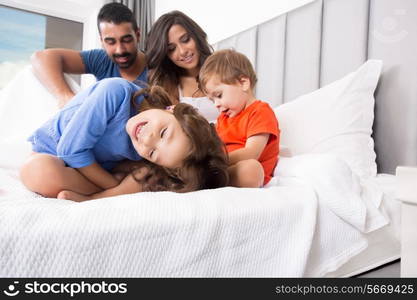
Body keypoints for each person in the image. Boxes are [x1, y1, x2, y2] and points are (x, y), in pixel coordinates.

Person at [19, 78, 229, 201]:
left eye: (153, 153)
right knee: (38, 171)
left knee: (151, 174)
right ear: (172, 109)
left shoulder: (150, 146)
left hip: (95, 165)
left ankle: (95, 196)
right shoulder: (116, 92)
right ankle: (97, 198)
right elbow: (68, 150)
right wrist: (112, 184)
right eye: (164, 132)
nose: (146, 141)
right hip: (55, 152)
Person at [31, 3, 147, 107]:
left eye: (126, 40)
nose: (120, 50)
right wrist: (65, 97)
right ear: (102, 41)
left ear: (137, 35)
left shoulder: (157, 66)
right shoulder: (101, 59)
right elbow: (40, 58)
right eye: (110, 42)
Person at [199, 49, 280, 187]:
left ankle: (209, 180)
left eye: (218, 96)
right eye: (212, 100)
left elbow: (252, 153)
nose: (216, 105)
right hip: (221, 167)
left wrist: (217, 162)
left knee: (251, 170)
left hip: (241, 169)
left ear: (243, 83)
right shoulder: (223, 119)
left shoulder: (260, 111)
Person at [145, 10, 219, 123]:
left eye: (185, 40)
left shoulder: (224, 70)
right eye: (171, 49)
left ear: (196, 36)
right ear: (165, 55)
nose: (183, 51)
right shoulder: (166, 88)